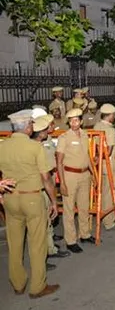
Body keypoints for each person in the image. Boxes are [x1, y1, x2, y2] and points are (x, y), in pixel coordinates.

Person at [0, 110, 60, 298]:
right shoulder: (35, 148)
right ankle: (37, 286)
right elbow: (46, 178)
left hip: (10, 199)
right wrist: (54, 201)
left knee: (15, 243)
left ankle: (18, 283)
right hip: (32, 198)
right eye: (31, 125)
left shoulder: (2, 146)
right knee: (37, 243)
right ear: (27, 127)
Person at [56, 108, 95, 253]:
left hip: (85, 175)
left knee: (84, 207)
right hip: (70, 176)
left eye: (77, 120)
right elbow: (59, 162)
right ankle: (71, 240)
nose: (74, 123)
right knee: (69, 210)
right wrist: (62, 183)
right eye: (71, 121)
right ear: (68, 122)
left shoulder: (85, 135)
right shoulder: (64, 138)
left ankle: (85, 234)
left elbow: (87, 157)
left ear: (81, 121)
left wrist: (94, 175)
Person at [32, 116, 71, 259]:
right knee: (45, 217)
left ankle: (50, 242)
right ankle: (49, 251)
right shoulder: (36, 146)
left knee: (47, 217)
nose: (51, 128)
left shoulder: (46, 141)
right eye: (48, 126)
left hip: (48, 178)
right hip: (42, 183)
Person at [94, 104, 115, 230]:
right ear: (110, 115)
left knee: (104, 191)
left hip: (101, 163)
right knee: (111, 192)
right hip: (110, 163)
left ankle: (105, 218)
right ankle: (109, 221)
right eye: (113, 115)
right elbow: (109, 150)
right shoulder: (109, 129)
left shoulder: (97, 126)